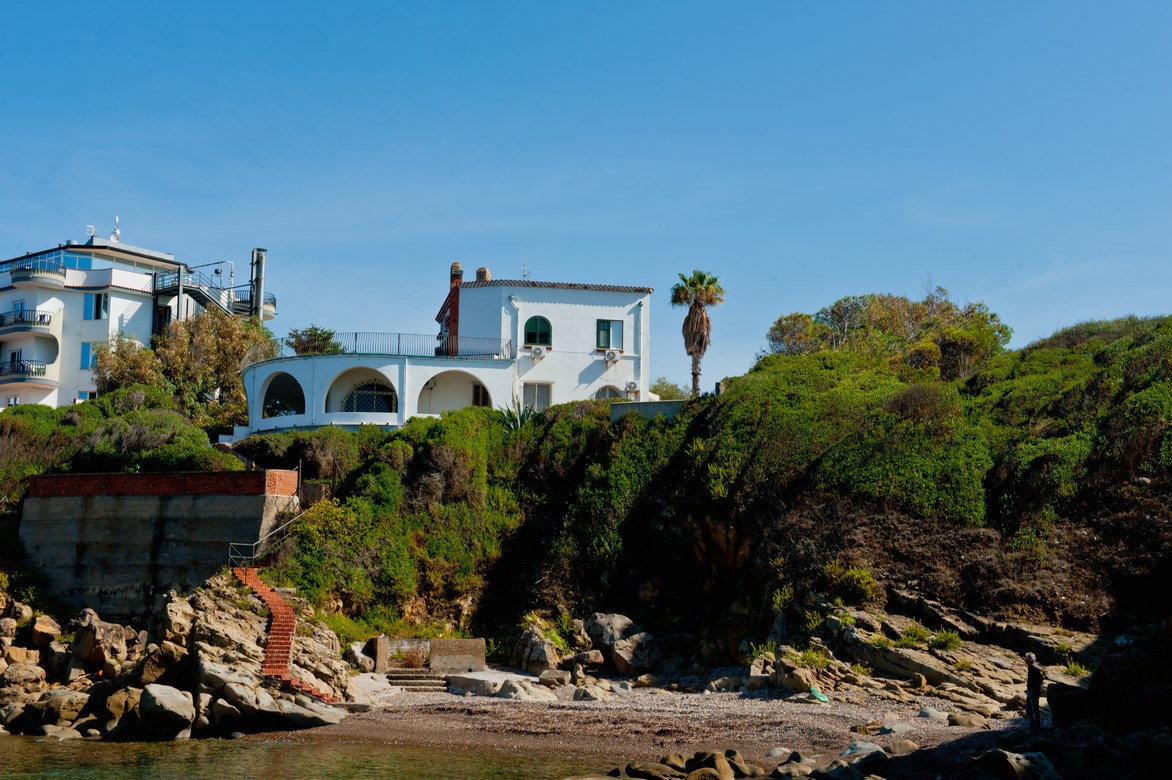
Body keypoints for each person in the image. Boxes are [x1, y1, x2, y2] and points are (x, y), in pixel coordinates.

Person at [1024, 651, 1044, 731]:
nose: (1025, 660)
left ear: (1029, 660)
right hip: (1030, 691)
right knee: (1029, 709)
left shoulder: (1035, 668)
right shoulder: (1030, 667)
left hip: (1034, 692)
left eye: (1026, 658)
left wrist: (1034, 687)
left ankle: (1037, 726)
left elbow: (1041, 677)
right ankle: (1032, 725)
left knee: (1035, 709)